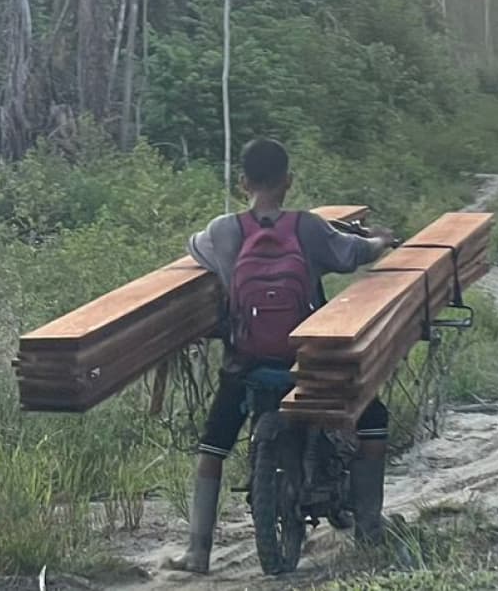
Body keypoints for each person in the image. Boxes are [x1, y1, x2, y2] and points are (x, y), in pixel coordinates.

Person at [166, 138, 398, 575]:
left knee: (212, 446)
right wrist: (380, 241)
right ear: (288, 181)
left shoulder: (223, 231)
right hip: (309, 363)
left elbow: (193, 247)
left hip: (247, 363)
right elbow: (354, 254)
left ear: (243, 183)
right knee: (374, 422)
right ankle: (369, 529)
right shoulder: (308, 228)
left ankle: (197, 552)